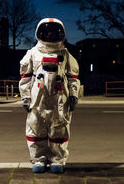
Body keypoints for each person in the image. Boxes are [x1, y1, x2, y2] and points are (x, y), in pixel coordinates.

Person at [19, 17, 80, 174]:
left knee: (59, 130)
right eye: (47, 32)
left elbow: (73, 78)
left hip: (60, 98)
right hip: (37, 99)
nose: (51, 35)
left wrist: (73, 95)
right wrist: (25, 98)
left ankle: (57, 159)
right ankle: (38, 159)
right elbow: (25, 78)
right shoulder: (33, 53)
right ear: (40, 33)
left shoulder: (65, 54)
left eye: (54, 32)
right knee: (36, 129)